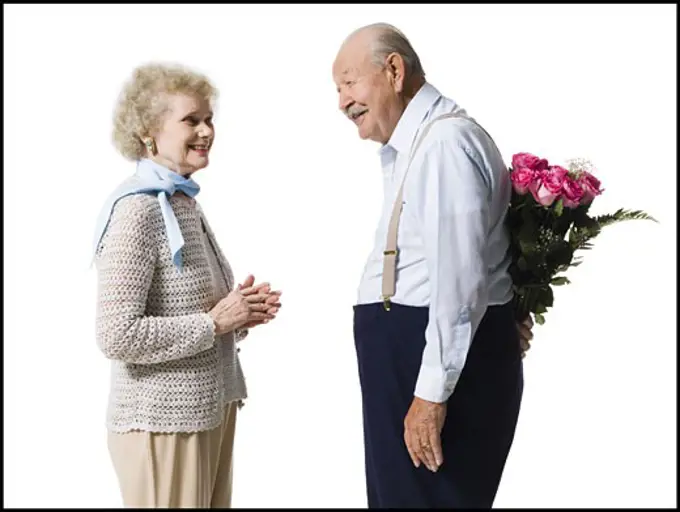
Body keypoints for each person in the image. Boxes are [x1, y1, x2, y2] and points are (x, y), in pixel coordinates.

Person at [332, 23, 534, 508]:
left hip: (421, 358)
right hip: (408, 351)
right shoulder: (424, 142)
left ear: (394, 71)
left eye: (348, 82)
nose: (342, 102)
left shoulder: (444, 144)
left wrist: (430, 395)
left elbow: (459, 282)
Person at [91, 62, 282, 508]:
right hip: (161, 422)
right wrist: (215, 323)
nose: (206, 131)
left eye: (208, 119)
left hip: (209, 410)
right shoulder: (137, 211)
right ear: (148, 133)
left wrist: (241, 314)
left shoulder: (183, 202)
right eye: (190, 120)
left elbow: (198, 315)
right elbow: (116, 335)